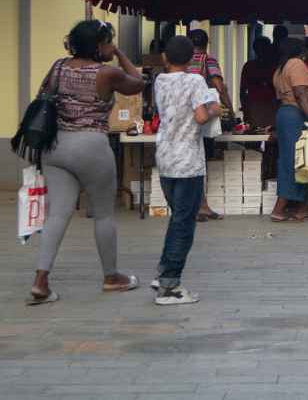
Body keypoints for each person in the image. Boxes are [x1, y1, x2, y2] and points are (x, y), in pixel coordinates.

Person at [27, 20, 144, 304]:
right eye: (107, 42)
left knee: (57, 213)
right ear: (98, 45)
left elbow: (42, 97)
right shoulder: (107, 73)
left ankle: (41, 280)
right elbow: (138, 84)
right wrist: (120, 53)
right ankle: (111, 277)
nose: (109, 46)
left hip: (56, 147)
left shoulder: (58, 66)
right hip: (91, 145)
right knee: (103, 214)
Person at [151, 35, 221, 305]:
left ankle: (163, 271)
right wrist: (214, 107)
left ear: (165, 58)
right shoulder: (195, 80)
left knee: (177, 218)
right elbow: (202, 116)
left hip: (166, 157)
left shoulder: (159, 80)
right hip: (188, 161)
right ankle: (170, 285)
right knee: (184, 223)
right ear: (192, 58)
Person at [270, 37, 308, 222]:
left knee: (300, 159)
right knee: (297, 161)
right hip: (295, 115)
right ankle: (279, 208)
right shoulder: (296, 64)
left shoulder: (281, 68)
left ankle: (302, 207)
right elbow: (300, 93)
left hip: (285, 114)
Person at [186, 29, 231, 222]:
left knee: (193, 162)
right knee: (199, 162)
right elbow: (218, 87)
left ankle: (201, 206)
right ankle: (198, 207)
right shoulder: (208, 59)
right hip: (202, 116)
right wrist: (230, 108)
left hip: (183, 117)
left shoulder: (182, 63)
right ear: (207, 42)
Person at [239, 36, 277, 129]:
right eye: (260, 49)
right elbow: (243, 90)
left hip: (270, 107)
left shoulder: (273, 66)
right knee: (253, 138)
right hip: (254, 107)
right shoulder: (249, 66)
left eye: (265, 48)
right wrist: (245, 108)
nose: (262, 51)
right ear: (256, 50)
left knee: (270, 138)